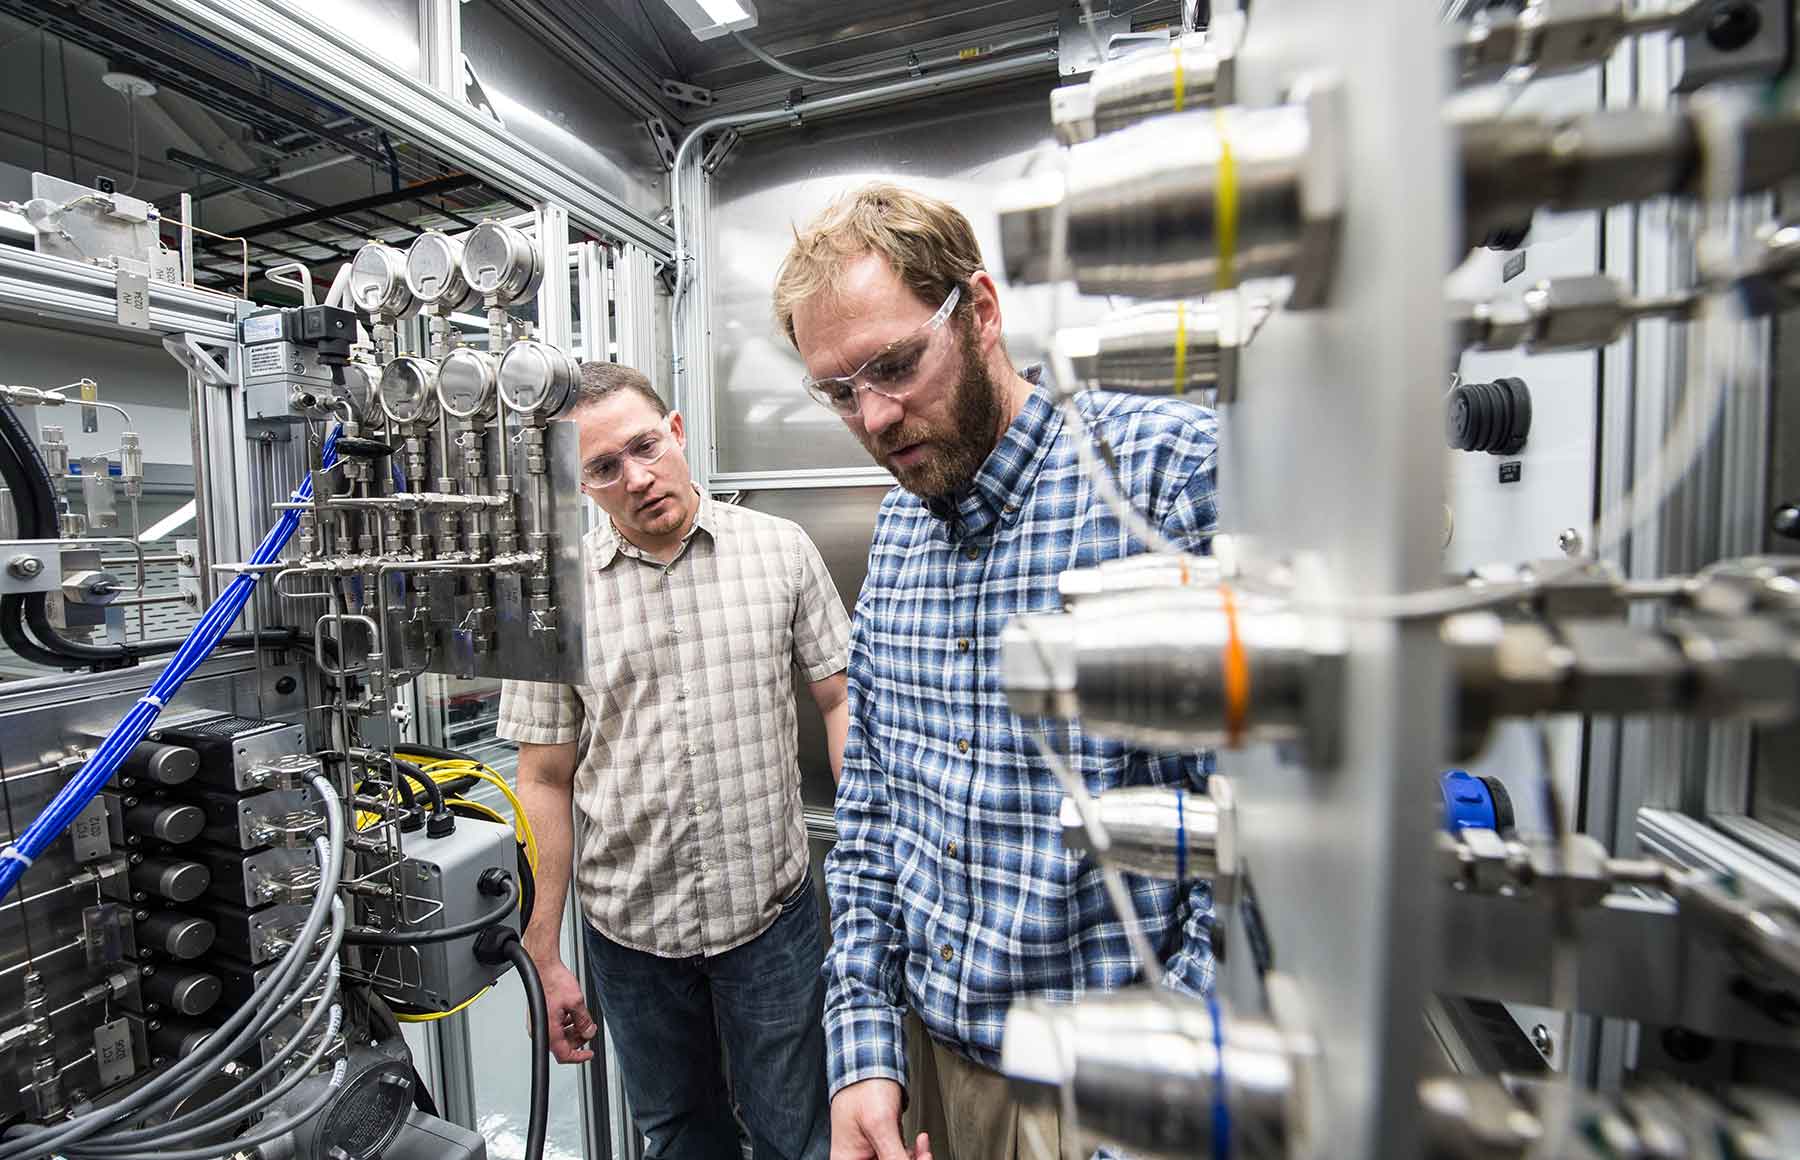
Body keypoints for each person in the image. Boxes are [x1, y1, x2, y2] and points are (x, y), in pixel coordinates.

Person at [772, 184, 1218, 1160]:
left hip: (1112, 1090)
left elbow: (1263, 858)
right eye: (839, 390)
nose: (875, 416)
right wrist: (861, 1051)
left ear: (979, 310)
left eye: (894, 364)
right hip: (934, 1074)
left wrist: (1160, 1111)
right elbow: (877, 814)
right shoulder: (896, 535)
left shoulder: (1159, 479)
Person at [497, 361, 851, 1160]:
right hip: (630, 935)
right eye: (605, 467)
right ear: (583, 485)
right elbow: (543, 779)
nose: (637, 477)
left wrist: (866, 841)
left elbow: (838, 698)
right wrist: (543, 950)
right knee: (680, 1136)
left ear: (679, 432)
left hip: (770, 918)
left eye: (646, 446)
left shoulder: (780, 550)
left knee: (797, 1131)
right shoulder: (556, 595)